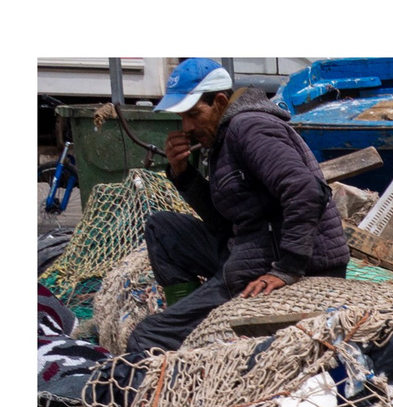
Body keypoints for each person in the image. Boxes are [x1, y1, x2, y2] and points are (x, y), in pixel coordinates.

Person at [126, 58, 349, 356]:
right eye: (182, 118)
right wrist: (183, 174)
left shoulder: (248, 127)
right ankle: (190, 321)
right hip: (247, 248)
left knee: (146, 338)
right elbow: (223, 223)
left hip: (278, 261)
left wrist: (287, 268)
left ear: (219, 101)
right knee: (162, 228)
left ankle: (184, 337)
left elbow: (305, 190)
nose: (188, 127)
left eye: (193, 114)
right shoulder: (221, 138)